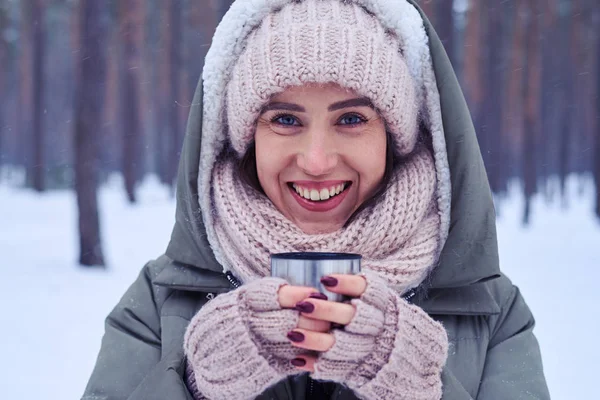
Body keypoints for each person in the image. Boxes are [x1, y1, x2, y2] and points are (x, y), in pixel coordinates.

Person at [82, 0, 550, 399]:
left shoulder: (490, 310)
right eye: (285, 120)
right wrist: (197, 382)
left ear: (394, 137)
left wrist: (420, 383)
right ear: (247, 139)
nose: (317, 161)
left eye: (351, 120)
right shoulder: (159, 301)